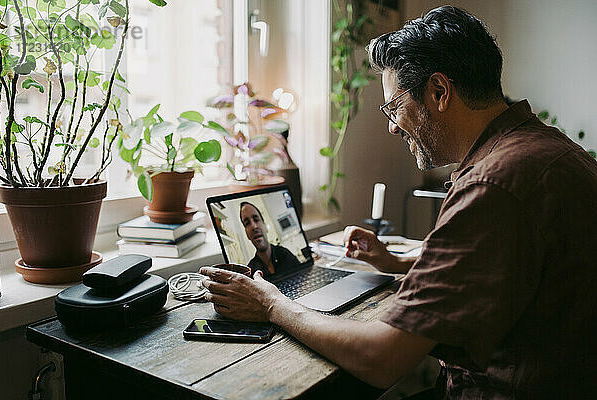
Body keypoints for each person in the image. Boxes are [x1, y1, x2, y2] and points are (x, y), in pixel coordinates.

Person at [200, 5, 597, 398]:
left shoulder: (492, 185)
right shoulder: (551, 150)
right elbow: (516, 261)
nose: (392, 126)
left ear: (439, 92)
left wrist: (270, 304)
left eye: (394, 107)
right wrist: (399, 262)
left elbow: (380, 357)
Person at [239, 201, 300, 278]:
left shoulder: (285, 254)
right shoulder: (251, 272)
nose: (254, 227)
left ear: (265, 227)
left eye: (256, 219)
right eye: (247, 223)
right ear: (247, 234)